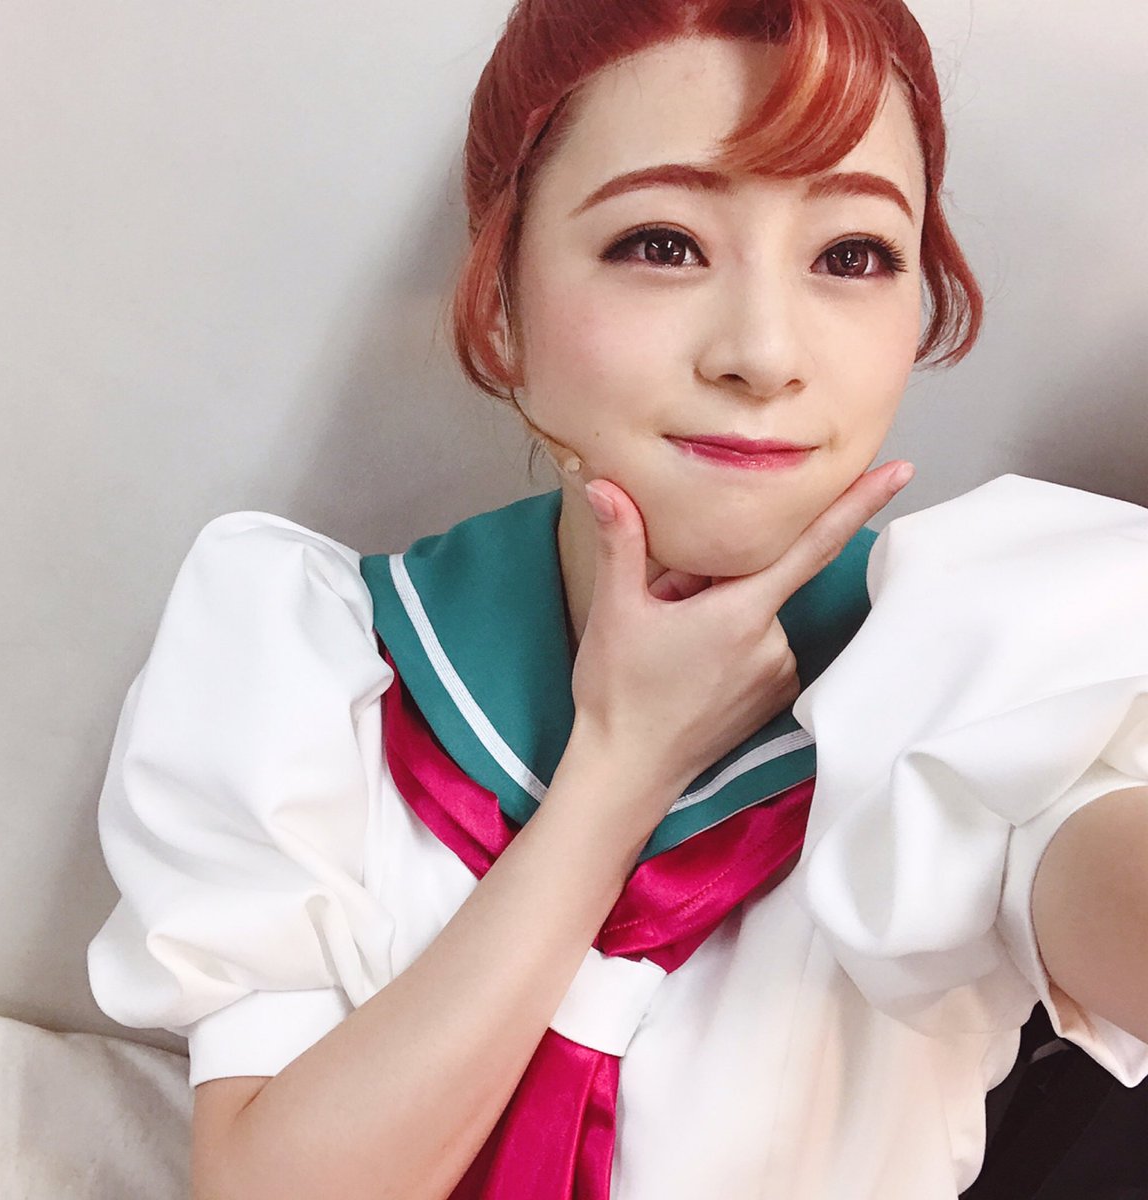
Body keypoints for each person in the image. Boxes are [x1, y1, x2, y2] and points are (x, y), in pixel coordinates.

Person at [86, 1, 1148, 1197]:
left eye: (852, 256)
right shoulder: (306, 658)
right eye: (662, 243)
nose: (763, 353)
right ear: (501, 301)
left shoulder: (997, 674)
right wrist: (621, 767)